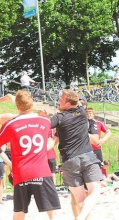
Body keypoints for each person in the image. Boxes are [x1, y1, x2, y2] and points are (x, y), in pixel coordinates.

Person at [0, 90, 61, 220]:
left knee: (19, 212)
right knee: (52, 212)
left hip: (21, 173)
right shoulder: (45, 122)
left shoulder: (10, 124)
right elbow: (46, 140)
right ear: (32, 104)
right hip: (42, 172)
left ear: (17, 106)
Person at [38, 89, 102, 220]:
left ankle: (80, 216)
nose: (58, 101)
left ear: (68, 104)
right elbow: (73, 110)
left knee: (80, 200)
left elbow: (49, 127)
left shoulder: (59, 118)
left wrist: (44, 118)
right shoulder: (82, 112)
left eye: (61, 99)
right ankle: (82, 216)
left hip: (69, 161)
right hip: (87, 157)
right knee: (95, 191)